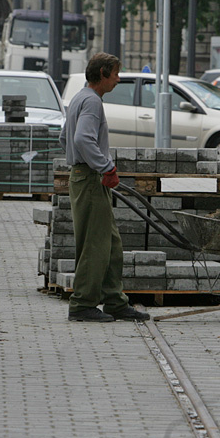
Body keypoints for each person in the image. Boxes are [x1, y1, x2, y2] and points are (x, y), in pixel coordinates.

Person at [59, 53, 150, 323]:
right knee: (95, 245)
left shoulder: (80, 97)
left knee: (111, 243)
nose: (118, 80)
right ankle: (82, 304)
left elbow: (64, 137)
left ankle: (114, 301)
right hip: (89, 179)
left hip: (86, 176)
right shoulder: (92, 102)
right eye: (115, 74)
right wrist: (105, 167)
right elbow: (81, 138)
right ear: (102, 75)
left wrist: (86, 165)